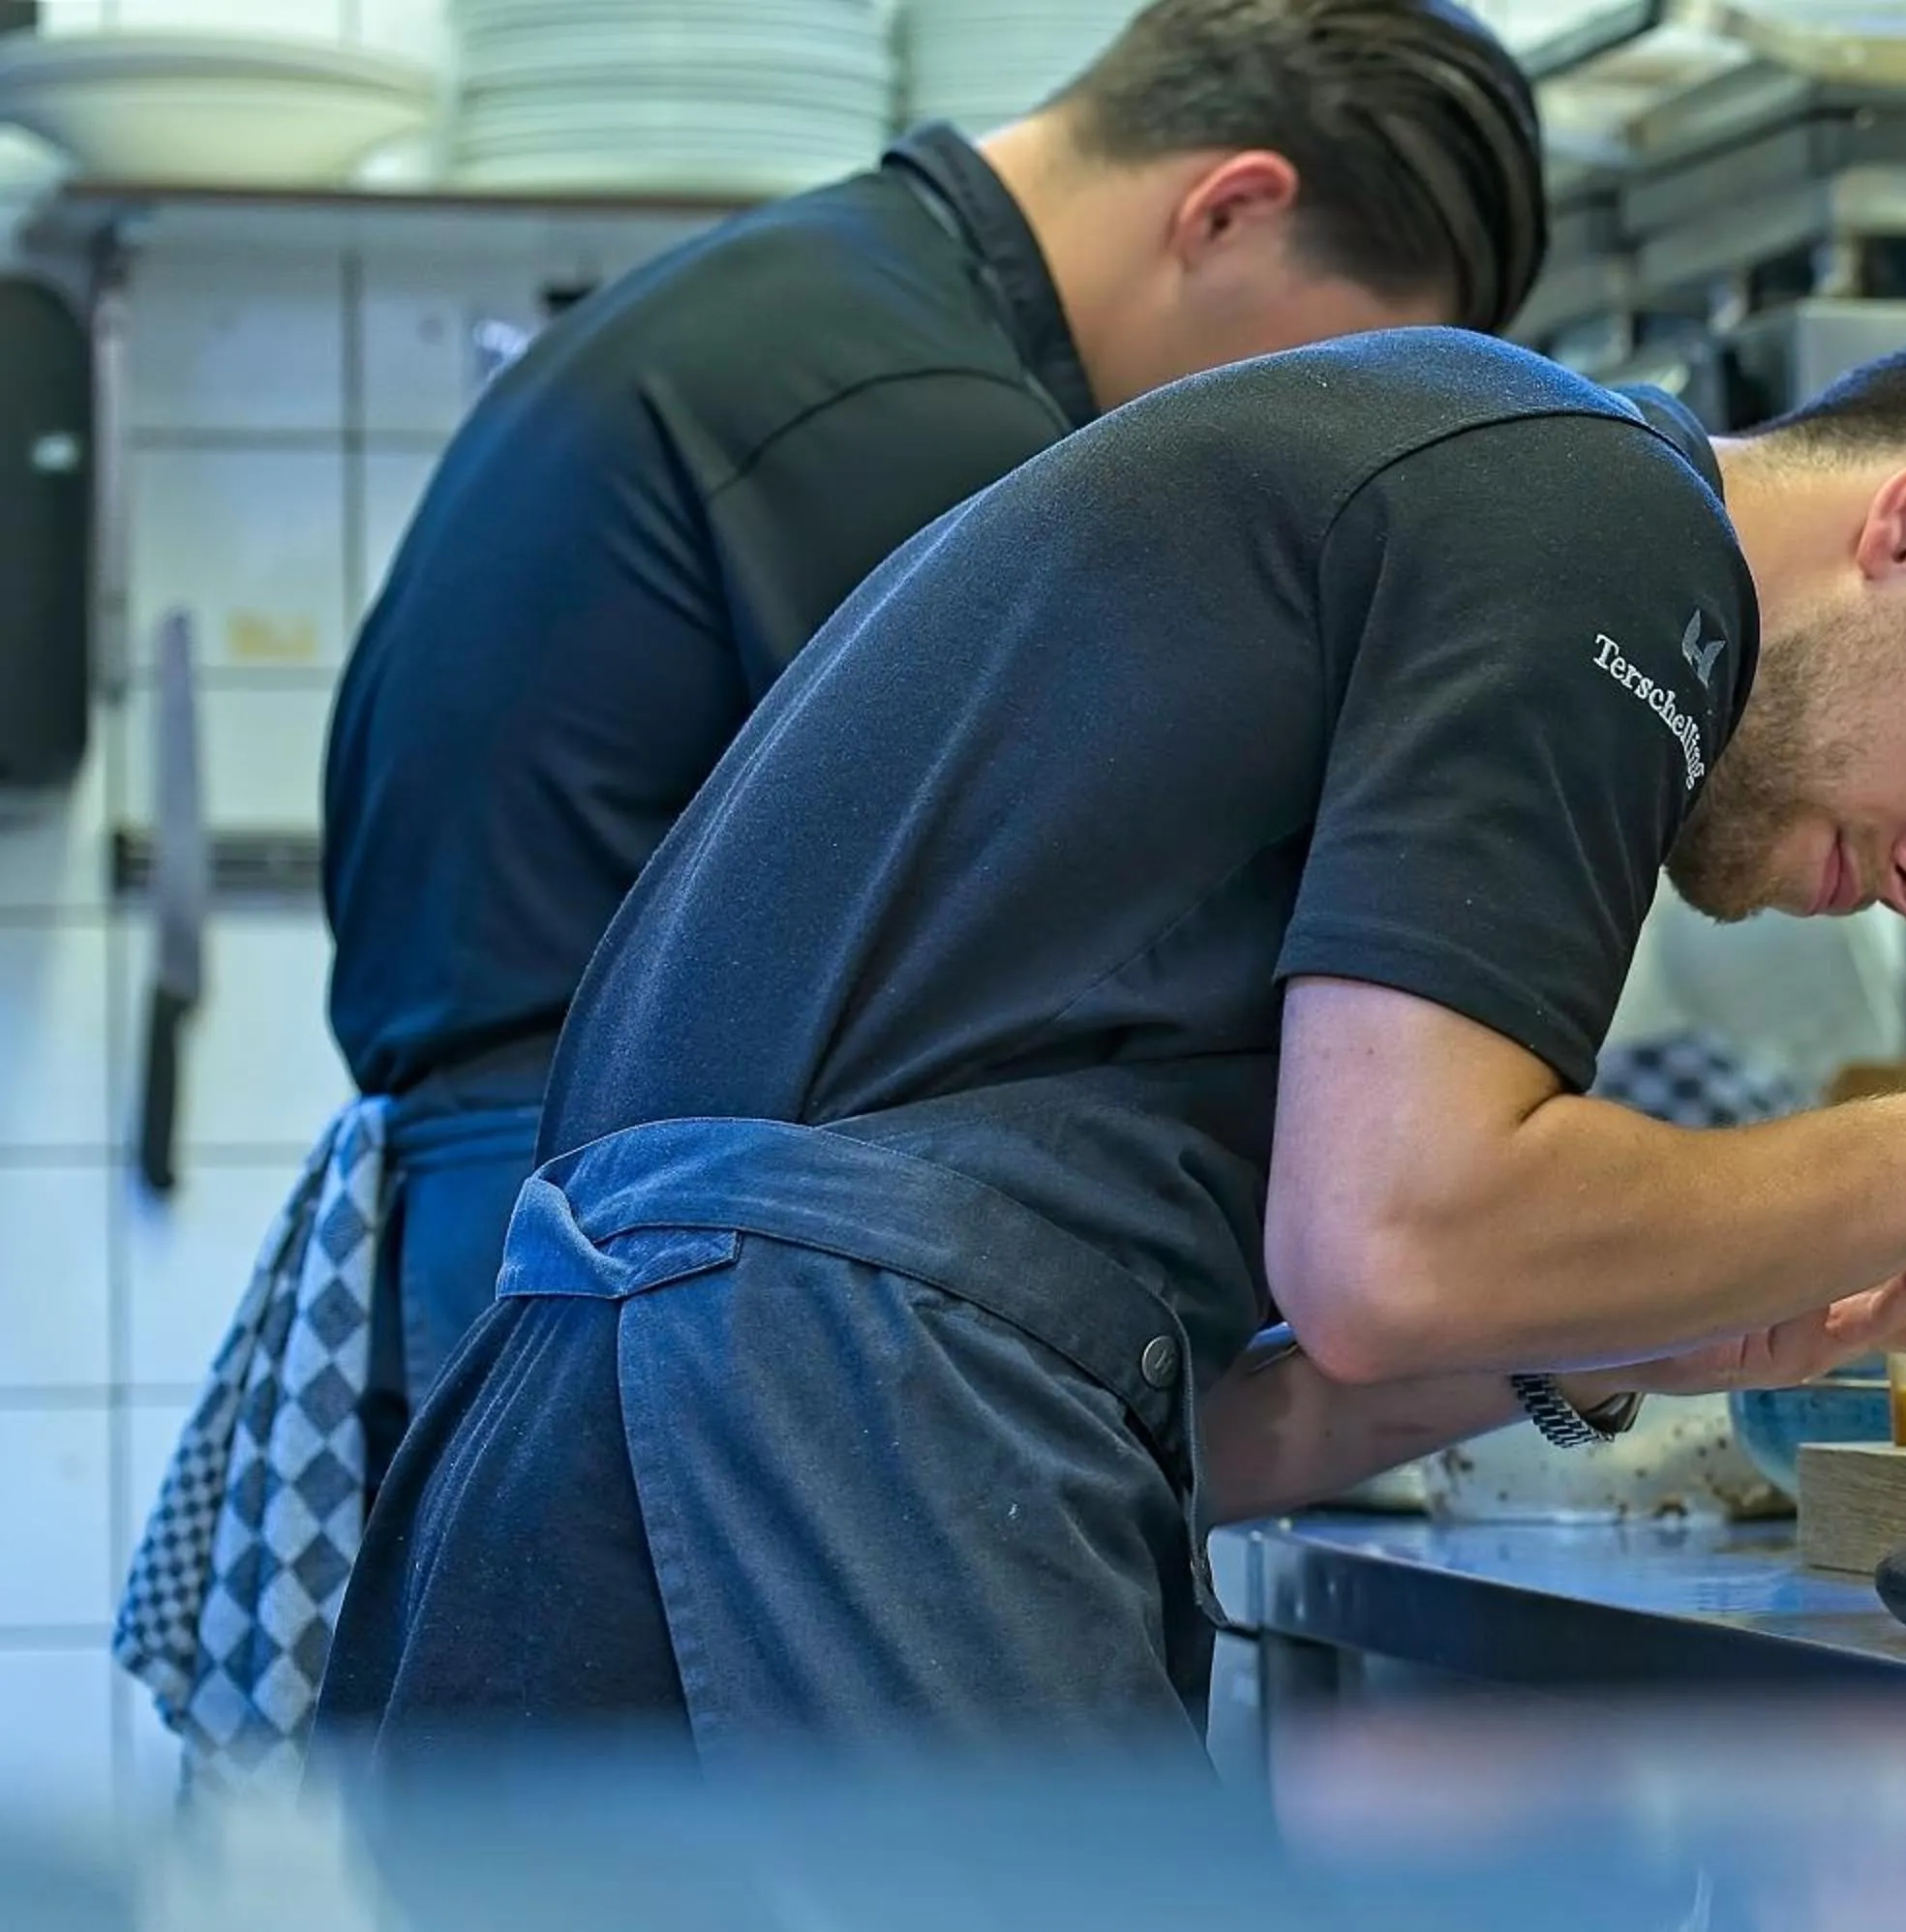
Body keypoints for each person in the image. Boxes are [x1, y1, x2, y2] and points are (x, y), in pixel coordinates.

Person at [313, 328, 1906, 1769]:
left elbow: (1220, 1400)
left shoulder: (1460, 504)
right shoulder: (1604, 527)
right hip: (786, 1462)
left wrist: (1582, 1338)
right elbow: (1389, 1241)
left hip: (605, 1487)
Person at [114, 0, 1544, 1794]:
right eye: (1360, 378)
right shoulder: (906, 417)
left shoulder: (816, 314)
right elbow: (1128, 944)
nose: (1333, 453)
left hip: (555, 1224)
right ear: (1231, 209)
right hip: (618, 1267)